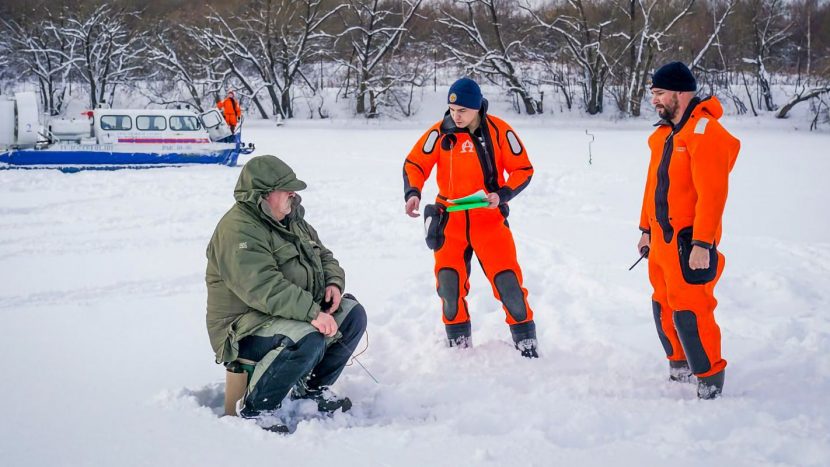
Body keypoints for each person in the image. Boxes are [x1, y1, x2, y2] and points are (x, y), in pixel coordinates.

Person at [206, 155, 368, 432]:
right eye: (286, 189)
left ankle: (311, 392)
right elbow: (264, 287)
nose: (293, 194)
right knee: (307, 335)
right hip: (244, 327)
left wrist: (333, 284)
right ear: (263, 195)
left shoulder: (291, 219)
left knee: (352, 314)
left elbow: (325, 255)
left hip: (286, 314)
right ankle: (256, 409)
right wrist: (312, 312)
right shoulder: (238, 230)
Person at [402, 77, 539, 358]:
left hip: (488, 220)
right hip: (449, 221)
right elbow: (415, 163)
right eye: (453, 110)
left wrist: (502, 194)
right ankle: (459, 348)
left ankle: (526, 344)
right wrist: (413, 192)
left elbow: (523, 169)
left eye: (463, 110)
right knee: (448, 286)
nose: (456, 116)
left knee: (508, 283)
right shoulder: (440, 132)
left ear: (477, 108)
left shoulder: (499, 131)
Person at [637, 62, 740, 399]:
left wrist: (702, 243)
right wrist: (645, 230)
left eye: (660, 93)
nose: (655, 99)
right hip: (660, 242)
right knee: (663, 306)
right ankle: (679, 365)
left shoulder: (705, 132)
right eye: (653, 93)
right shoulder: (665, 134)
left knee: (691, 311)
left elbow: (713, 194)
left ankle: (709, 378)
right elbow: (652, 187)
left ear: (681, 92)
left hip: (688, 245)